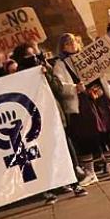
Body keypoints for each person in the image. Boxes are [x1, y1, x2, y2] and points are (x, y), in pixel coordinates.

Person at [58, 34, 110, 182]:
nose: (72, 45)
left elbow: (108, 73)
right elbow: (60, 85)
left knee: (107, 132)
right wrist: (74, 88)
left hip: (99, 98)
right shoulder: (61, 64)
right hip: (81, 102)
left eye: (74, 41)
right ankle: (90, 172)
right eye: (68, 43)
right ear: (63, 47)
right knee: (86, 136)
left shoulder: (90, 56)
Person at [40, 50, 89, 198]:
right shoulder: (19, 74)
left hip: (55, 116)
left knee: (65, 147)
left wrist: (47, 74)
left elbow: (58, 88)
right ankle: (52, 186)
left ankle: (75, 181)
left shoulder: (47, 69)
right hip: (37, 120)